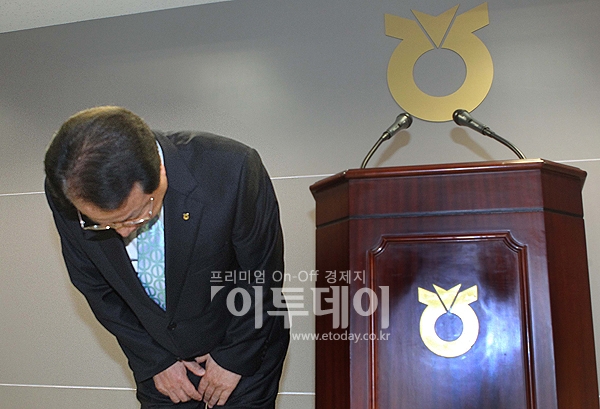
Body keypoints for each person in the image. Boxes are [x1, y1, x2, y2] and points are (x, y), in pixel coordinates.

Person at [44, 106, 289, 408]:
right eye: (104, 223)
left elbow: (261, 275)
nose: (123, 232)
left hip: (242, 345)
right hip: (159, 359)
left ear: (161, 172)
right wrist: (156, 361)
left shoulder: (231, 169)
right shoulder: (71, 188)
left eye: (135, 215)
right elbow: (94, 285)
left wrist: (233, 358)